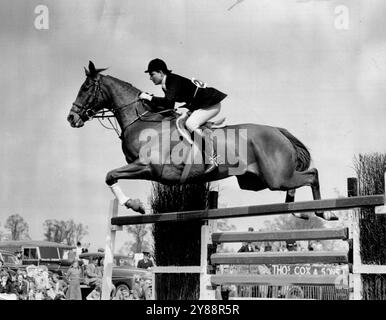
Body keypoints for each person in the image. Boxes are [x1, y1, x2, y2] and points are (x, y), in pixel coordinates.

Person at [140, 58, 227, 174]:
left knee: (190, 124)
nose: (150, 78)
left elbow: (167, 103)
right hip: (201, 105)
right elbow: (169, 106)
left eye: (152, 74)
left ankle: (213, 158)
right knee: (181, 120)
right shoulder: (166, 83)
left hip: (211, 104)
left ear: (161, 73)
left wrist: (149, 98)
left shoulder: (172, 80)